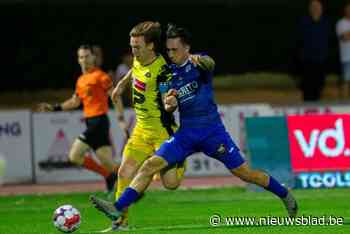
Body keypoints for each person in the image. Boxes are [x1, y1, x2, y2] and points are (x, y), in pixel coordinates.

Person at [90, 24, 298, 223]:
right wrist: (170, 103)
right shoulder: (168, 74)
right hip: (186, 135)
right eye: (169, 50)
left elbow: (211, 65)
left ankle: (284, 193)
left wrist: (200, 60)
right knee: (148, 166)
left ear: (186, 48)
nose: (171, 54)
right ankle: (117, 208)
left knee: (245, 173)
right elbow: (167, 103)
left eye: (175, 49)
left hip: (213, 133)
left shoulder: (199, 63)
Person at [101, 21, 185, 230]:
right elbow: (134, 70)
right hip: (141, 131)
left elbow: (168, 97)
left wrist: (170, 102)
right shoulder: (139, 60)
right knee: (123, 173)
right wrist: (121, 85)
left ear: (150, 46)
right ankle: (121, 222)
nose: (133, 51)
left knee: (171, 184)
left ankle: (180, 156)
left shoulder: (162, 70)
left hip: (162, 133)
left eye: (137, 46)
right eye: (131, 46)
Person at [37, 45, 127, 194]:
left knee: (74, 155)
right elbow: (75, 102)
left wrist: (121, 117)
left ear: (93, 58)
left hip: (98, 122)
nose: (84, 60)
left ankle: (112, 177)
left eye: (87, 56)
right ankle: (127, 181)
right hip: (92, 122)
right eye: (81, 57)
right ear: (78, 60)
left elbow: (115, 96)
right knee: (109, 164)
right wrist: (54, 108)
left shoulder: (101, 76)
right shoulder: (80, 80)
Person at [296, 0, 329, 101]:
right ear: (309, 9)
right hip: (307, 60)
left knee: (319, 86)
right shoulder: (303, 21)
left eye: (318, 7)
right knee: (307, 87)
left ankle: (317, 109)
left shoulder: (326, 22)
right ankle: (306, 109)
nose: (316, 9)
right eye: (313, 7)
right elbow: (300, 40)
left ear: (322, 9)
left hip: (321, 60)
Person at [336, 2, 350, 98]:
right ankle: (345, 105)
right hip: (347, 58)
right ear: (345, 11)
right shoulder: (341, 23)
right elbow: (344, 37)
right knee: (346, 82)